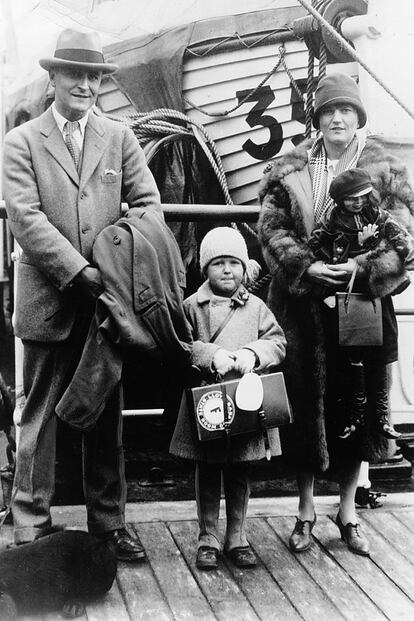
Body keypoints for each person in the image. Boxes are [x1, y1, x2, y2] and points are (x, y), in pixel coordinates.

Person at [2, 28, 162, 560]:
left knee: (105, 414)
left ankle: (108, 524)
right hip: (50, 300)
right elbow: (25, 218)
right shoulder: (22, 141)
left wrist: (110, 265)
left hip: (105, 304)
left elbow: (147, 208)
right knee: (39, 413)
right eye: (75, 74)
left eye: (94, 76)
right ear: (54, 78)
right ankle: (31, 524)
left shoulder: (120, 138)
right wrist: (78, 270)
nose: (86, 85)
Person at [258, 72, 414, 556]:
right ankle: (305, 510)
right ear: (317, 118)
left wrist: (359, 269)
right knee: (304, 405)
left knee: (358, 407)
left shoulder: (386, 172)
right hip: (304, 307)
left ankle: (347, 510)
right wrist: (307, 267)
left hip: (362, 306)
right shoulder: (288, 169)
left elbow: (403, 239)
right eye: (328, 111)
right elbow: (271, 230)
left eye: (346, 110)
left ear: (358, 116)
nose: (337, 118)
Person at [170, 227, 286, 570]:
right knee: (207, 470)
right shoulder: (192, 306)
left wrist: (253, 352)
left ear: (244, 267)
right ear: (205, 268)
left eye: (233, 263)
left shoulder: (257, 307)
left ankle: (237, 537)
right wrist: (212, 355)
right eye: (218, 263)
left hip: (247, 404)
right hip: (209, 404)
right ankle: (208, 537)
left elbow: (277, 341)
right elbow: (181, 344)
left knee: (239, 471)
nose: (226, 270)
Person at [309, 167, 414, 440]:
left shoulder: (376, 215)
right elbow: (316, 247)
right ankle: (354, 415)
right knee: (351, 355)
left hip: (376, 295)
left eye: (362, 196)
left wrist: (399, 249)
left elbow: (399, 236)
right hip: (348, 296)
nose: (357, 203)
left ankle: (380, 417)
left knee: (382, 354)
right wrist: (356, 247)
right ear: (339, 199)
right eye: (351, 198)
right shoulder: (331, 221)